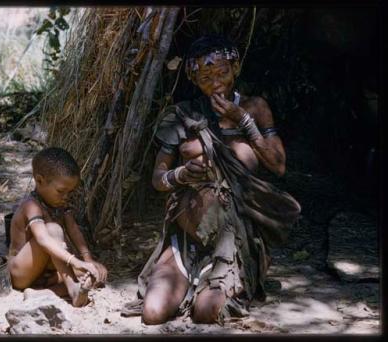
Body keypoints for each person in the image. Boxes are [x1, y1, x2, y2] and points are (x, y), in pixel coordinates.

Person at [123, 35, 300, 324]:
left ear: (236, 68)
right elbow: (157, 179)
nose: (215, 82)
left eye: (222, 72)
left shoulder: (255, 108)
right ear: (193, 78)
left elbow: (278, 166)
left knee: (206, 312)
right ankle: (183, 274)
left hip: (233, 239)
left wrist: (242, 119)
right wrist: (179, 174)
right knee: (153, 313)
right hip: (185, 238)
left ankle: (230, 278)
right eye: (205, 76)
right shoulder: (181, 115)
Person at [8, 147, 108, 307]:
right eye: (61, 191)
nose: (65, 197)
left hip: (46, 272)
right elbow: (43, 238)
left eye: (69, 192)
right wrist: (75, 261)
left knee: (95, 275)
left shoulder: (60, 204)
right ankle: (72, 290)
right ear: (39, 180)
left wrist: (88, 260)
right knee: (53, 230)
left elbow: (73, 229)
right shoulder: (31, 206)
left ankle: (39, 293)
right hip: (21, 273)